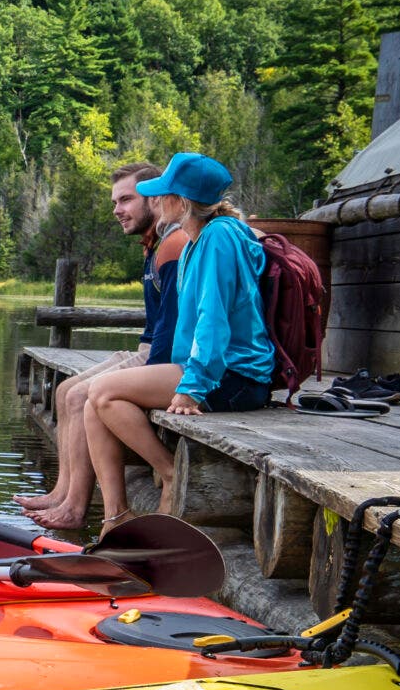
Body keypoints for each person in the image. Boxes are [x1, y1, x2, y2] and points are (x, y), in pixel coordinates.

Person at [75, 152, 275, 525]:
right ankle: (115, 518)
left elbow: (213, 321)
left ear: (181, 202)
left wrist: (192, 388)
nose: (153, 201)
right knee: (92, 400)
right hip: (205, 369)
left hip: (233, 377)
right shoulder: (197, 240)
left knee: (102, 391)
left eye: (160, 194)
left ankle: (169, 474)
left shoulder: (218, 239)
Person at [15, 163, 177, 533]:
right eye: (114, 201)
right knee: (65, 390)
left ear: (154, 198)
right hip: (148, 350)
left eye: (126, 200)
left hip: (160, 358)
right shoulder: (152, 244)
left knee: (80, 397)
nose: (117, 209)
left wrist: (145, 367)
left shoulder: (173, 243)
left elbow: (172, 330)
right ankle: (63, 492)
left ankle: (75, 507)